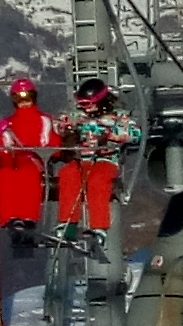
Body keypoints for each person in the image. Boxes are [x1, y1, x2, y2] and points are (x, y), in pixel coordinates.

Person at [56, 76, 136, 238]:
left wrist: (109, 135)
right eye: (81, 103)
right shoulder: (76, 116)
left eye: (88, 104)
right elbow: (59, 126)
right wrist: (69, 132)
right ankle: (67, 224)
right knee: (68, 174)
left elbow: (134, 134)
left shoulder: (118, 116)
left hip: (105, 160)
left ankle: (99, 226)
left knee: (97, 180)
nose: (84, 108)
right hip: (81, 159)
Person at [0, 74, 54, 233]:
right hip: (11, 160)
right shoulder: (7, 122)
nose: (24, 103)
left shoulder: (43, 119)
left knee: (27, 174)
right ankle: (9, 216)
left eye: (28, 98)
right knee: (2, 176)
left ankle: (28, 217)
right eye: (19, 100)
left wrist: (45, 150)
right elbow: (0, 146)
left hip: (33, 159)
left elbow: (50, 141)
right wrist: (1, 142)